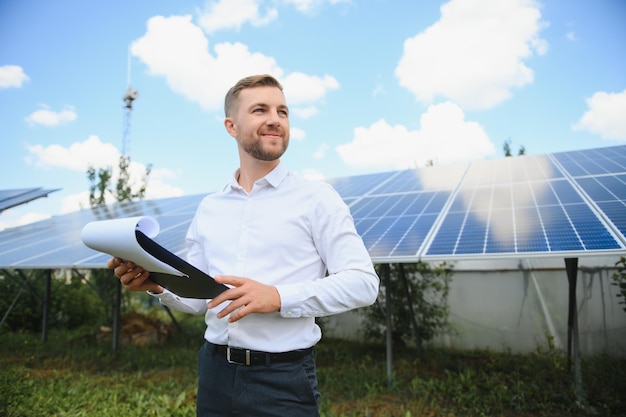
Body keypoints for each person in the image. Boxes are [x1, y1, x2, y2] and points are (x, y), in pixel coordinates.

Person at [108, 74, 379, 417]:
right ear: (231, 126)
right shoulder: (210, 208)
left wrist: (278, 296)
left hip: (282, 380)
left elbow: (364, 283)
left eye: (283, 111)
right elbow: (200, 299)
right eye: (260, 110)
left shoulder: (317, 199)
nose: (275, 120)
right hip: (214, 372)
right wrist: (158, 285)